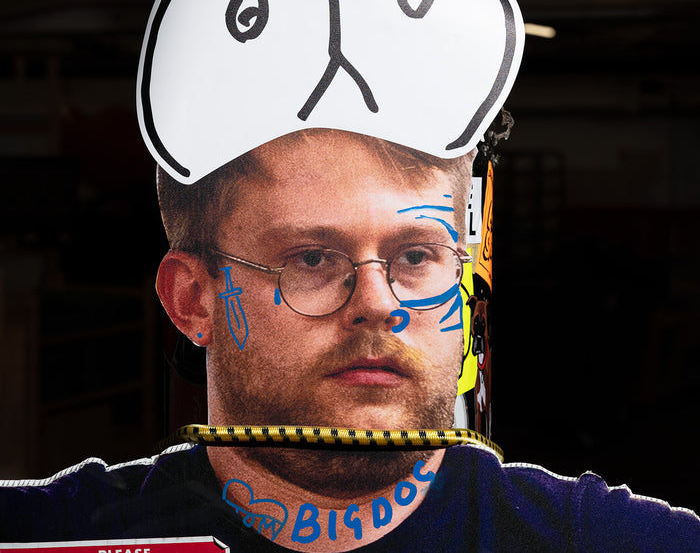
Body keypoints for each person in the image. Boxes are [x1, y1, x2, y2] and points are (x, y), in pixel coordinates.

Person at [1, 128, 699, 552]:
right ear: (192, 299)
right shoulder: (56, 538)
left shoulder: (609, 542)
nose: (378, 304)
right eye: (312, 259)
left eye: (417, 257)